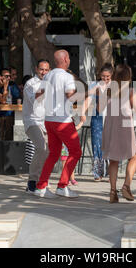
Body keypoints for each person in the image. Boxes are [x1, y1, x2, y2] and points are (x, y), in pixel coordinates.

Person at [34, 50, 86, 199]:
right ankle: (62, 186)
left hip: (49, 120)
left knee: (54, 153)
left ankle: (41, 187)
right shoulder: (67, 77)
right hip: (62, 121)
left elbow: (38, 95)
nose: (69, 60)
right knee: (75, 152)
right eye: (68, 57)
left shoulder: (48, 75)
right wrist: (85, 94)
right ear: (65, 59)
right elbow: (71, 97)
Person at [100, 64, 136, 203]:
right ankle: (126, 186)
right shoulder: (130, 91)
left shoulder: (108, 90)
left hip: (110, 126)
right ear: (128, 77)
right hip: (124, 126)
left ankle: (113, 192)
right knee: (133, 156)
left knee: (113, 160)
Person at [81, 63, 114, 182]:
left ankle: (111, 172)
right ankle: (97, 172)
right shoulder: (94, 85)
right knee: (97, 145)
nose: (105, 79)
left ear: (111, 76)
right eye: (103, 76)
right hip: (97, 118)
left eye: (108, 77)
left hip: (111, 118)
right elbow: (88, 99)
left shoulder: (115, 86)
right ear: (100, 75)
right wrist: (82, 112)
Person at [22, 60, 50, 193]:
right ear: (36, 69)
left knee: (49, 151)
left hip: (47, 123)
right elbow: (35, 100)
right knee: (41, 147)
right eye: (41, 69)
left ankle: (42, 179)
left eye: (46, 70)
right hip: (32, 122)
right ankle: (32, 181)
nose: (43, 72)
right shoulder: (30, 83)